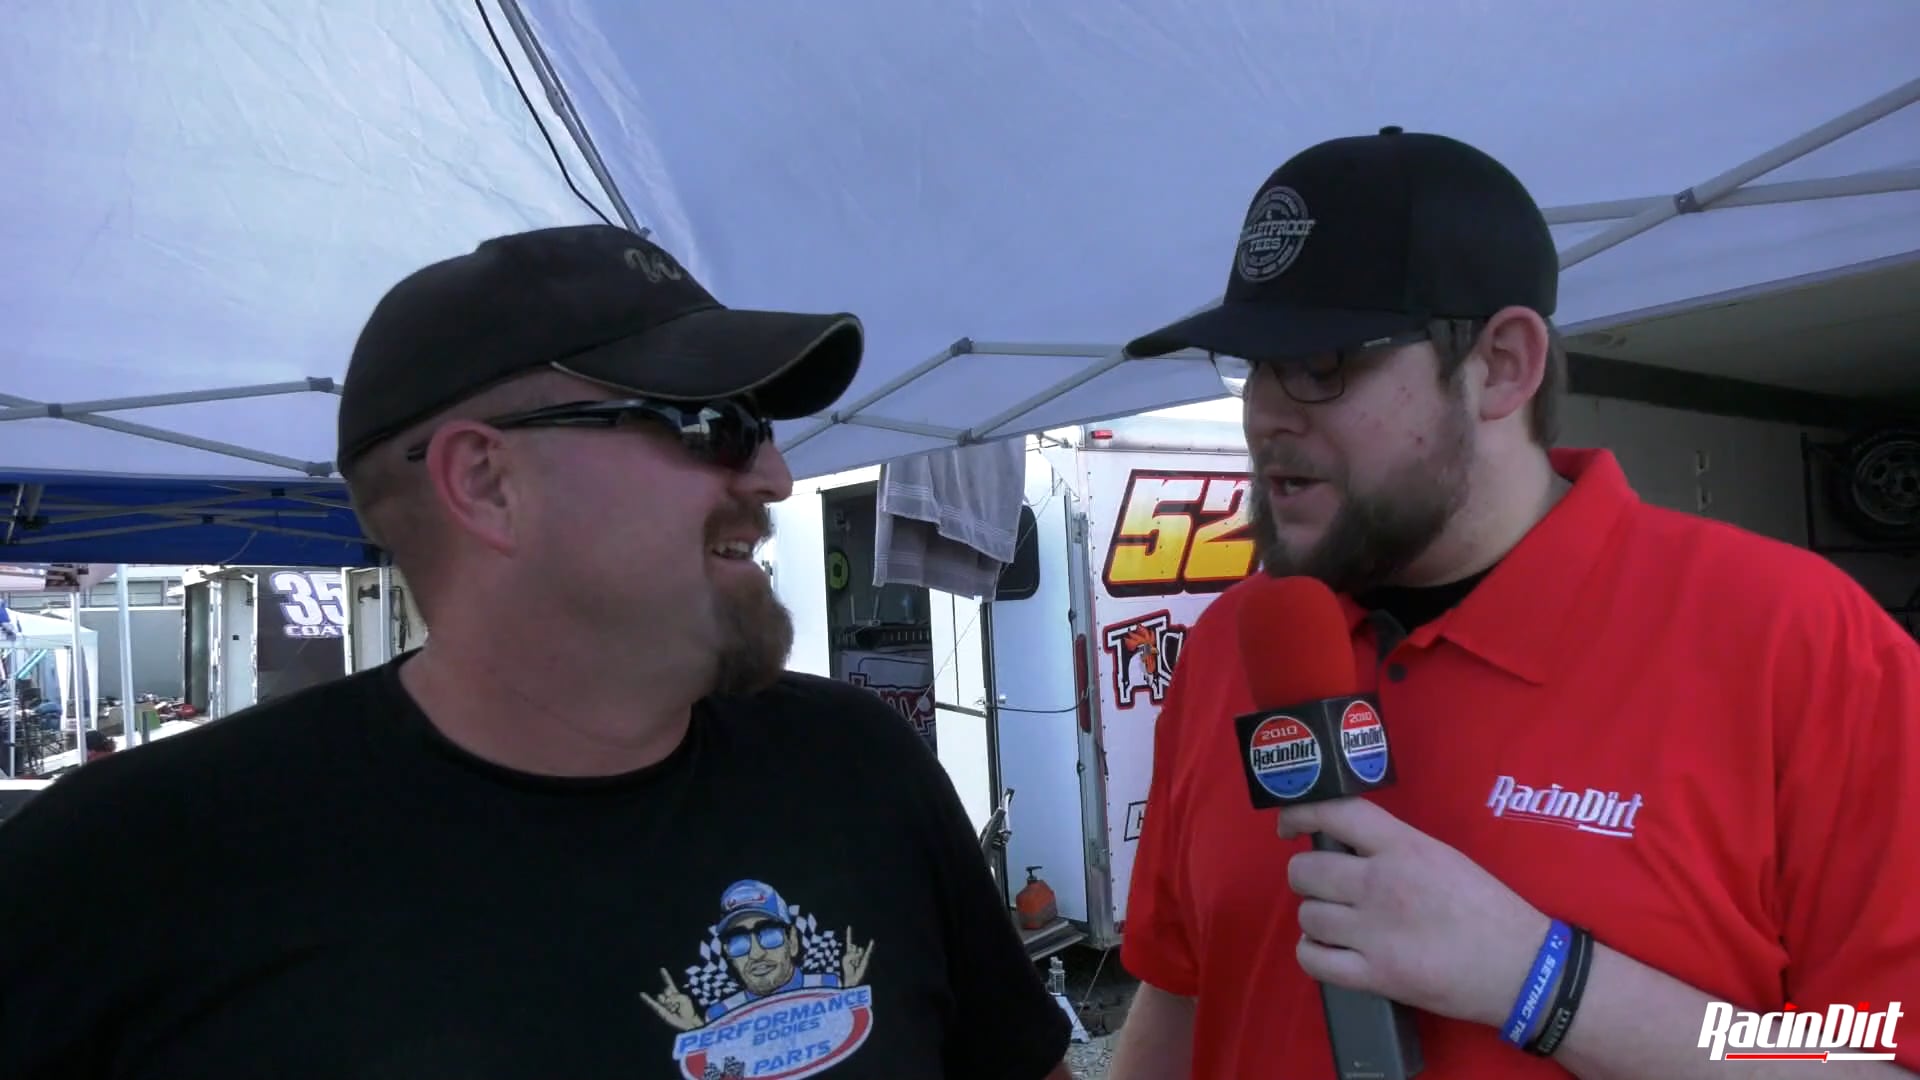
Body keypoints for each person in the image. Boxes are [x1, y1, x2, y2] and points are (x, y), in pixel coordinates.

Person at [0, 224, 1073, 1080]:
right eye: (713, 422)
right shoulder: (123, 869)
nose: (776, 475)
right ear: (486, 483)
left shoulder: (855, 768)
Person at [1108, 128, 1920, 1079]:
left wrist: (1547, 980)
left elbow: (1875, 1056)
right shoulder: (1230, 648)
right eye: (1251, 366)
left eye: (1321, 361)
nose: (1265, 415)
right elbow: (1181, 995)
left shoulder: (1799, 642)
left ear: (1502, 365)